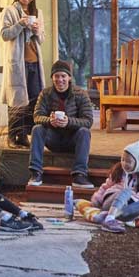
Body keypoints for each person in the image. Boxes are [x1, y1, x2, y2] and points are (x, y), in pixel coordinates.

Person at [28, 60, 94, 188]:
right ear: (52, 78)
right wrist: (49, 121)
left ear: (69, 77)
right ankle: (35, 172)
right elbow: (37, 116)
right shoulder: (45, 94)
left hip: (72, 140)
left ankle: (79, 174)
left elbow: (88, 120)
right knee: (37, 129)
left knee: (84, 132)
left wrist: (68, 121)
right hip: (53, 139)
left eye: (63, 76)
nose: (60, 80)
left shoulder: (81, 94)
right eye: (56, 76)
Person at [0, 0, 46, 148]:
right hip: (17, 63)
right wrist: (20, 24)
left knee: (34, 100)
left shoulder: (38, 13)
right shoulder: (9, 11)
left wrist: (36, 31)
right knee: (17, 100)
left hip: (34, 61)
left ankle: (25, 135)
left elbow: (42, 39)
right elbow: (5, 34)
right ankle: (12, 136)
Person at [75, 140, 139, 233]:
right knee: (126, 191)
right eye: (123, 159)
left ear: (138, 163)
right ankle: (109, 219)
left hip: (126, 208)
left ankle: (112, 217)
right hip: (111, 201)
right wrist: (96, 201)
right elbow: (105, 186)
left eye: (128, 161)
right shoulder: (119, 170)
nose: (124, 163)